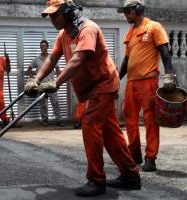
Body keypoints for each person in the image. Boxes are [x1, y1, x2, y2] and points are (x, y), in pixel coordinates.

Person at [24, 0, 140, 196]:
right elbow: (52, 59)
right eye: (50, 16)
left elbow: (78, 59)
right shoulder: (63, 34)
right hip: (89, 88)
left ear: (68, 12)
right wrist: (35, 80)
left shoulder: (88, 29)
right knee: (110, 133)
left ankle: (96, 180)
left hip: (102, 85)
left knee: (90, 126)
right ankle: (130, 176)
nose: (52, 20)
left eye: (55, 15)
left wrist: (55, 83)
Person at [117, 0, 177, 172]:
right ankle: (135, 153)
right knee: (129, 117)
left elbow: (165, 53)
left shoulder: (154, 27)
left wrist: (169, 75)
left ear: (138, 9)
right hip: (131, 82)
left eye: (128, 11)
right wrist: (117, 77)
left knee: (150, 120)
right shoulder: (131, 32)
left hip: (148, 81)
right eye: (125, 11)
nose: (125, 14)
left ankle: (151, 157)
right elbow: (127, 60)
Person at [27, 40, 65, 127]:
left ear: (47, 47)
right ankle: (45, 120)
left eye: (45, 46)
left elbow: (58, 69)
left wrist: (59, 80)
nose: (43, 48)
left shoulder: (52, 58)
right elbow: (29, 68)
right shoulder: (37, 59)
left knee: (55, 103)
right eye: (42, 46)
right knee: (43, 104)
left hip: (51, 84)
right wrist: (32, 79)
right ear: (40, 48)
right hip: (40, 85)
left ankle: (59, 120)